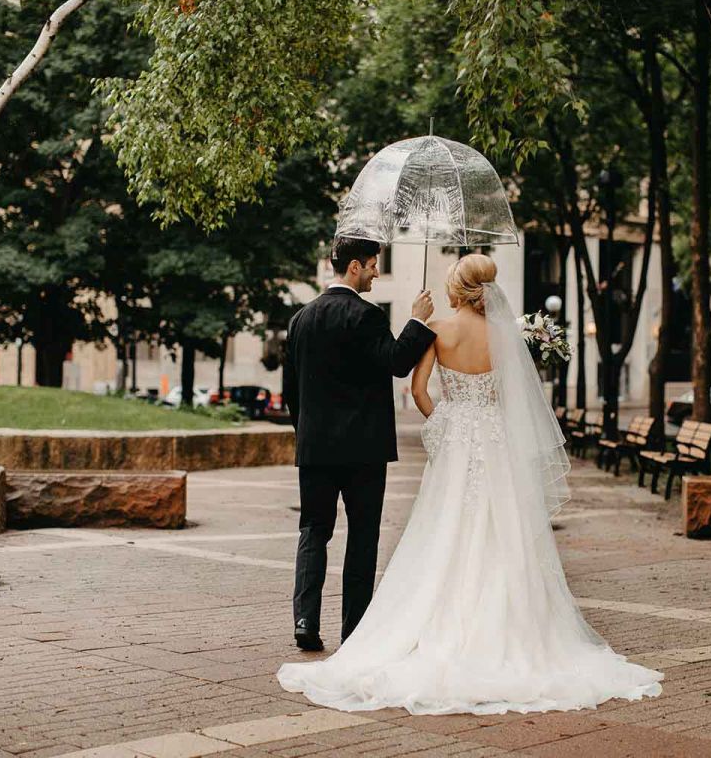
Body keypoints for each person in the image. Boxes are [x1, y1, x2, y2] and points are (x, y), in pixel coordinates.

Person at [277, 254, 663, 715]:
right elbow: (507, 397)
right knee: (498, 533)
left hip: (405, 444)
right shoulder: (506, 336)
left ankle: (309, 619)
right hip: (488, 445)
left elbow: (415, 390)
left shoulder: (413, 327)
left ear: (456, 288)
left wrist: (447, 424)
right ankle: (495, 630)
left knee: (371, 532)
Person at [282, 236, 436, 652]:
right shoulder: (366, 316)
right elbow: (397, 362)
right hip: (363, 450)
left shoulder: (300, 320)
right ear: (353, 267)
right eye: (371, 265)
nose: (374, 273)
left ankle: (304, 620)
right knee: (363, 535)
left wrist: (308, 435)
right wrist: (418, 321)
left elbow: (290, 394)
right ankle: (355, 631)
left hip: (315, 449)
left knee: (313, 530)